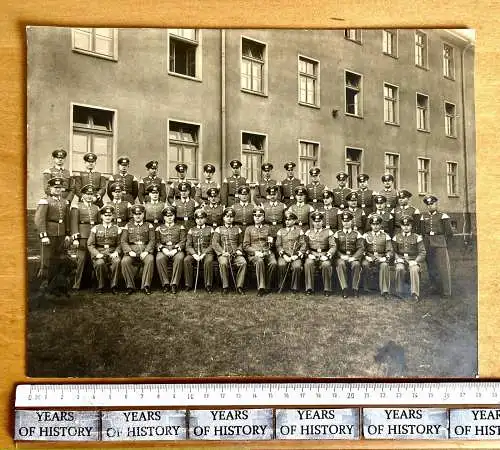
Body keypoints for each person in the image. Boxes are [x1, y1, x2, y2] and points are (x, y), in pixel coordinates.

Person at [34, 176, 71, 294]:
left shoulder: (65, 202)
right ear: (50, 188)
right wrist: (43, 235)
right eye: (55, 188)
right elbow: (39, 219)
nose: (58, 190)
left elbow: (67, 219)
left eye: (60, 188)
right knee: (46, 260)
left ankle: (56, 285)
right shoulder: (45, 201)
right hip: (49, 234)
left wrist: (67, 234)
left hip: (61, 234)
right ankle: (43, 285)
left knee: (60, 259)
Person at [420, 195, 453, 298]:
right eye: (428, 204)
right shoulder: (423, 216)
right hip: (428, 244)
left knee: (443, 268)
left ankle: (447, 291)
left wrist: (443, 243)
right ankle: (434, 287)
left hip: (439, 243)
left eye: (432, 204)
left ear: (436, 204)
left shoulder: (443, 216)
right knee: (431, 267)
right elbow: (422, 232)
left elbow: (449, 233)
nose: (430, 206)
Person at [70, 184, 100, 290]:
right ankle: (77, 284)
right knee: (81, 260)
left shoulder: (96, 207)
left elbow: (99, 223)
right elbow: (73, 223)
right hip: (82, 236)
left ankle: (92, 283)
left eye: (91, 194)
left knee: (93, 259)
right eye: (87, 194)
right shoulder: (77, 206)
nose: (89, 196)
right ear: (82, 195)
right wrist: (75, 238)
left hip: (93, 236)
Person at [120, 204, 155, 295]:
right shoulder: (128, 225)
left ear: (143, 214)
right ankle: (130, 286)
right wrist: (129, 251)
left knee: (150, 259)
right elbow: (123, 241)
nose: (138, 216)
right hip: (132, 250)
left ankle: (146, 286)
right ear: (133, 215)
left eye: (140, 213)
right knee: (124, 261)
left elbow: (152, 240)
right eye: (135, 214)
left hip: (145, 249)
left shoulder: (149, 225)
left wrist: (147, 251)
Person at [87, 205, 122, 294]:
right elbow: (90, 244)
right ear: (102, 216)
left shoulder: (117, 228)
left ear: (113, 216)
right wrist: (97, 253)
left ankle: (114, 285)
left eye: (110, 215)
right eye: (105, 215)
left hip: (112, 251)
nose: (108, 217)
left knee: (117, 261)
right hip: (99, 251)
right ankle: (100, 286)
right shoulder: (95, 228)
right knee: (100, 263)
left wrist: (116, 252)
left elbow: (120, 244)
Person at [243, 206, 277, 296]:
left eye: (259, 215)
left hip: (266, 251)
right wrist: (255, 252)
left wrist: (270, 248)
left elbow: (271, 243)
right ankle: (261, 287)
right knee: (259, 261)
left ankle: (268, 286)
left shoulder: (268, 228)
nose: (257, 217)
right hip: (254, 254)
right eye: (255, 216)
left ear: (263, 217)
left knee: (273, 263)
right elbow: (245, 246)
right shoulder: (249, 229)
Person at [212, 207, 247, 294]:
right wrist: (222, 252)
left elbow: (241, 242)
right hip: (224, 253)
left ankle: (239, 286)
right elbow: (215, 243)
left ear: (233, 218)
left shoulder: (237, 229)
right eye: (227, 216)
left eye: (231, 216)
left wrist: (239, 249)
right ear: (223, 218)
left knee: (243, 262)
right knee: (223, 263)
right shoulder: (218, 229)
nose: (229, 218)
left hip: (235, 254)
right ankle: (225, 286)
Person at [392, 216, 426, 302]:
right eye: (403, 225)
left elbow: (422, 252)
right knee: (399, 268)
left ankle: (414, 293)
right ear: (401, 226)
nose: (406, 227)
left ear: (411, 226)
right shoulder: (396, 237)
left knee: (414, 269)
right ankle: (399, 291)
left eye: (408, 225)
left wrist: (415, 261)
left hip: (413, 259)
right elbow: (393, 251)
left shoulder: (417, 237)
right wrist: (397, 258)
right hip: (401, 259)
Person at [304, 211, 336, 296]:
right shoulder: (308, 232)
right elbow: (305, 246)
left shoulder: (329, 232)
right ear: (312, 222)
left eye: (319, 221)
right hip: (312, 253)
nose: (317, 223)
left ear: (322, 222)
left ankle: (327, 289)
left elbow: (333, 246)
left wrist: (328, 255)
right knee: (308, 263)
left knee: (326, 264)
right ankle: (309, 288)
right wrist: (308, 254)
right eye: (315, 221)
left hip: (324, 253)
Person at [155, 205, 186, 294]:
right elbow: (156, 241)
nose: (169, 218)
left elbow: (183, 240)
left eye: (171, 215)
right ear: (164, 217)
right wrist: (163, 249)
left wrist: (175, 250)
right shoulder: (159, 228)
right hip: (163, 249)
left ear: (174, 216)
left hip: (176, 248)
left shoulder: (180, 227)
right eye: (167, 216)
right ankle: (165, 283)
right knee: (159, 258)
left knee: (179, 258)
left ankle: (174, 284)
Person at [361, 215, 393, 298]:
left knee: (384, 265)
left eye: (377, 224)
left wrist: (384, 258)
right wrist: (366, 257)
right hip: (369, 257)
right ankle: (366, 287)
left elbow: (390, 250)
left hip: (381, 257)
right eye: (373, 224)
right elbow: (361, 249)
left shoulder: (386, 236)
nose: (375, 226)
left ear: (380, 225)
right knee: (365, 264)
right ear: (371, 225)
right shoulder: (365, 235)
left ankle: (384, 290)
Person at [334, 210, 364, 298]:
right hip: (341, 256)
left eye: (348, 221)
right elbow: (335, 248)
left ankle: (355, 288)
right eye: (344, 221)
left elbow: (361, 248)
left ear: (351, 221)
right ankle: (344, 288)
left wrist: (354, 258)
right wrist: (341, 256)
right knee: (340, 264)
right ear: (342, 222)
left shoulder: (357, 234)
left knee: (356, 264)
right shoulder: (337, 234)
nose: (346, 223)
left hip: (353, 256)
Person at [184, 209, 214, 292]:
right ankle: (188, 284)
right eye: (197, 218)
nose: (199, 220)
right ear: (195, 219)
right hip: (195, 253)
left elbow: (212, 244)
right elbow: (188, 245)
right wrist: (194, 254)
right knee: (187, 260)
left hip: (207, 253)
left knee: (208, 261)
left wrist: (204, 254)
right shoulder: (191, 230)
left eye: (201, 218)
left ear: (205, 219)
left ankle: (208, 285)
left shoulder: (210, 229)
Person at [276, 211, 305, 293]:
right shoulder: (280, 231)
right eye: (286, 220)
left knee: (297, 267)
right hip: (284, 255)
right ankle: (281, 285)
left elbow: (303, 245)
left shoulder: (299, 231)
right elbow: (278, 245)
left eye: (289, 220)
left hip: (295, 255)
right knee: (281, 265)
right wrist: (285, 256)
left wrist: (296, 255)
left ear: (294, 221)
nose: (287, 221)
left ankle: (294, 287)